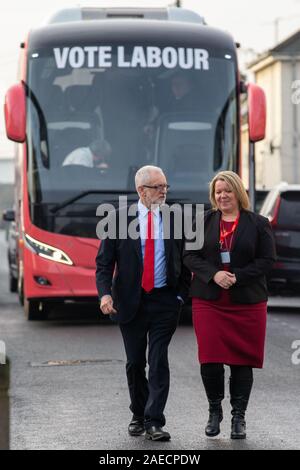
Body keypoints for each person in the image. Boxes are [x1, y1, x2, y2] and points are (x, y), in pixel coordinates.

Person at [95, 165, 191, 441]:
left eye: (165, 186)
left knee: (158, 360)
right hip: (130, 302)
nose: (163, 191)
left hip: (164, 301)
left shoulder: (176, 219)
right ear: (141, 190)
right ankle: (138, 413)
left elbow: (186, 262)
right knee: (135, 363)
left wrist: (180, 296)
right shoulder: (117, 220)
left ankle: (154, 421)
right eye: (158, 187)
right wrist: (105, 294)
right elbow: (104, 265)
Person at [183, 171, 276, 440]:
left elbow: (267, 259)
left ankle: (239, 417)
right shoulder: (202, 221)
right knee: (210, 360)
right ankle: (214, 411)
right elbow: (189, 255)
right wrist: (214, 274)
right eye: (218, 191)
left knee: (241, 361)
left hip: (246, 301)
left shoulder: (258, 223)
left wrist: (238, 276)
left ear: (238, 192)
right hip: (210, 300)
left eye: (227, 190)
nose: (222, 195)